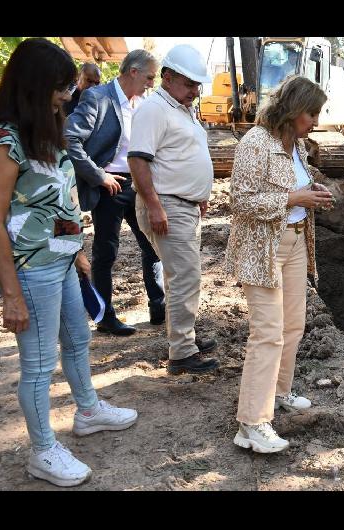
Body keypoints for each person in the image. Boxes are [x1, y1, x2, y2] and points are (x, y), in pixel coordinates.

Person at [0, 38, 137, 487]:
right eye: (60, 87)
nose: (68, 94)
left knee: (78, 340)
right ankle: (42, 451)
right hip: (31, 270)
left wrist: (76, 249)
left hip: (60, 261)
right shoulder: (7, 140)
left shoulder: (48, 133)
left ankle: (89, 411)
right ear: (35, 86)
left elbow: (60, 200)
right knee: (38, 364)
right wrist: (12, 295)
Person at [225, 76, 334, 453]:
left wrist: (310, 193)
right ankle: (251, 424)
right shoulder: (255, 143)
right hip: (263, 247)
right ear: (292, 109)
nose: (315, 121)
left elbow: (294, 189)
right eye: (312, 113)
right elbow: (240, 201)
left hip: (295, 242)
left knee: (293, 326)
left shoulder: (296, 144)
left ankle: (279, 391)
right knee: (268, 333)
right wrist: (292, 198)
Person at [128, 44, 219, 375]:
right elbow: (138, 159)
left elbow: (181, 155)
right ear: (167, 77)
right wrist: (154, 205)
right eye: (190, 84)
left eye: (198, 85)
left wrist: (199, 194)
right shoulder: (154, 109)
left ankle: (187, 338)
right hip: (167, 205)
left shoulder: (180, 108)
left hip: (183, 205)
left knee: (187, 275)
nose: (195, 91)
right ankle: (181, 353)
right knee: (184, 277)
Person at [65, 49, 165, 335]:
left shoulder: (144, 104)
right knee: (106, 252)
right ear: (133, 71)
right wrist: (98, 176)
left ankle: (158, 307)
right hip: (110, 186)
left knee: (152, 246)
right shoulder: (98, 98)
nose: (151, 83)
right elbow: (70, 139)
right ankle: (105, 316)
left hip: (139, 184)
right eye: (148, 77)